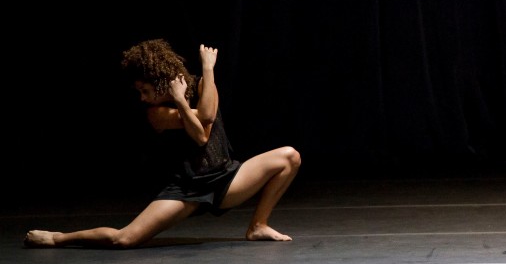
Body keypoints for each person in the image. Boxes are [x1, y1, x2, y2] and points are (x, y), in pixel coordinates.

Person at [24, 39, 302, 248]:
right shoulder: (156, 114)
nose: (142, 97)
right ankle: (58, 238)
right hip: (187, 190)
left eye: (145, 91)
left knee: (289, 156)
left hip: (226, 178)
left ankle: (258, 225)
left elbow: (205, 115)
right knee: (124, 239)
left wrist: (208, 70)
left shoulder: (204, 84)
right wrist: (181, 100)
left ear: (160, 83)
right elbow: (201, 134)